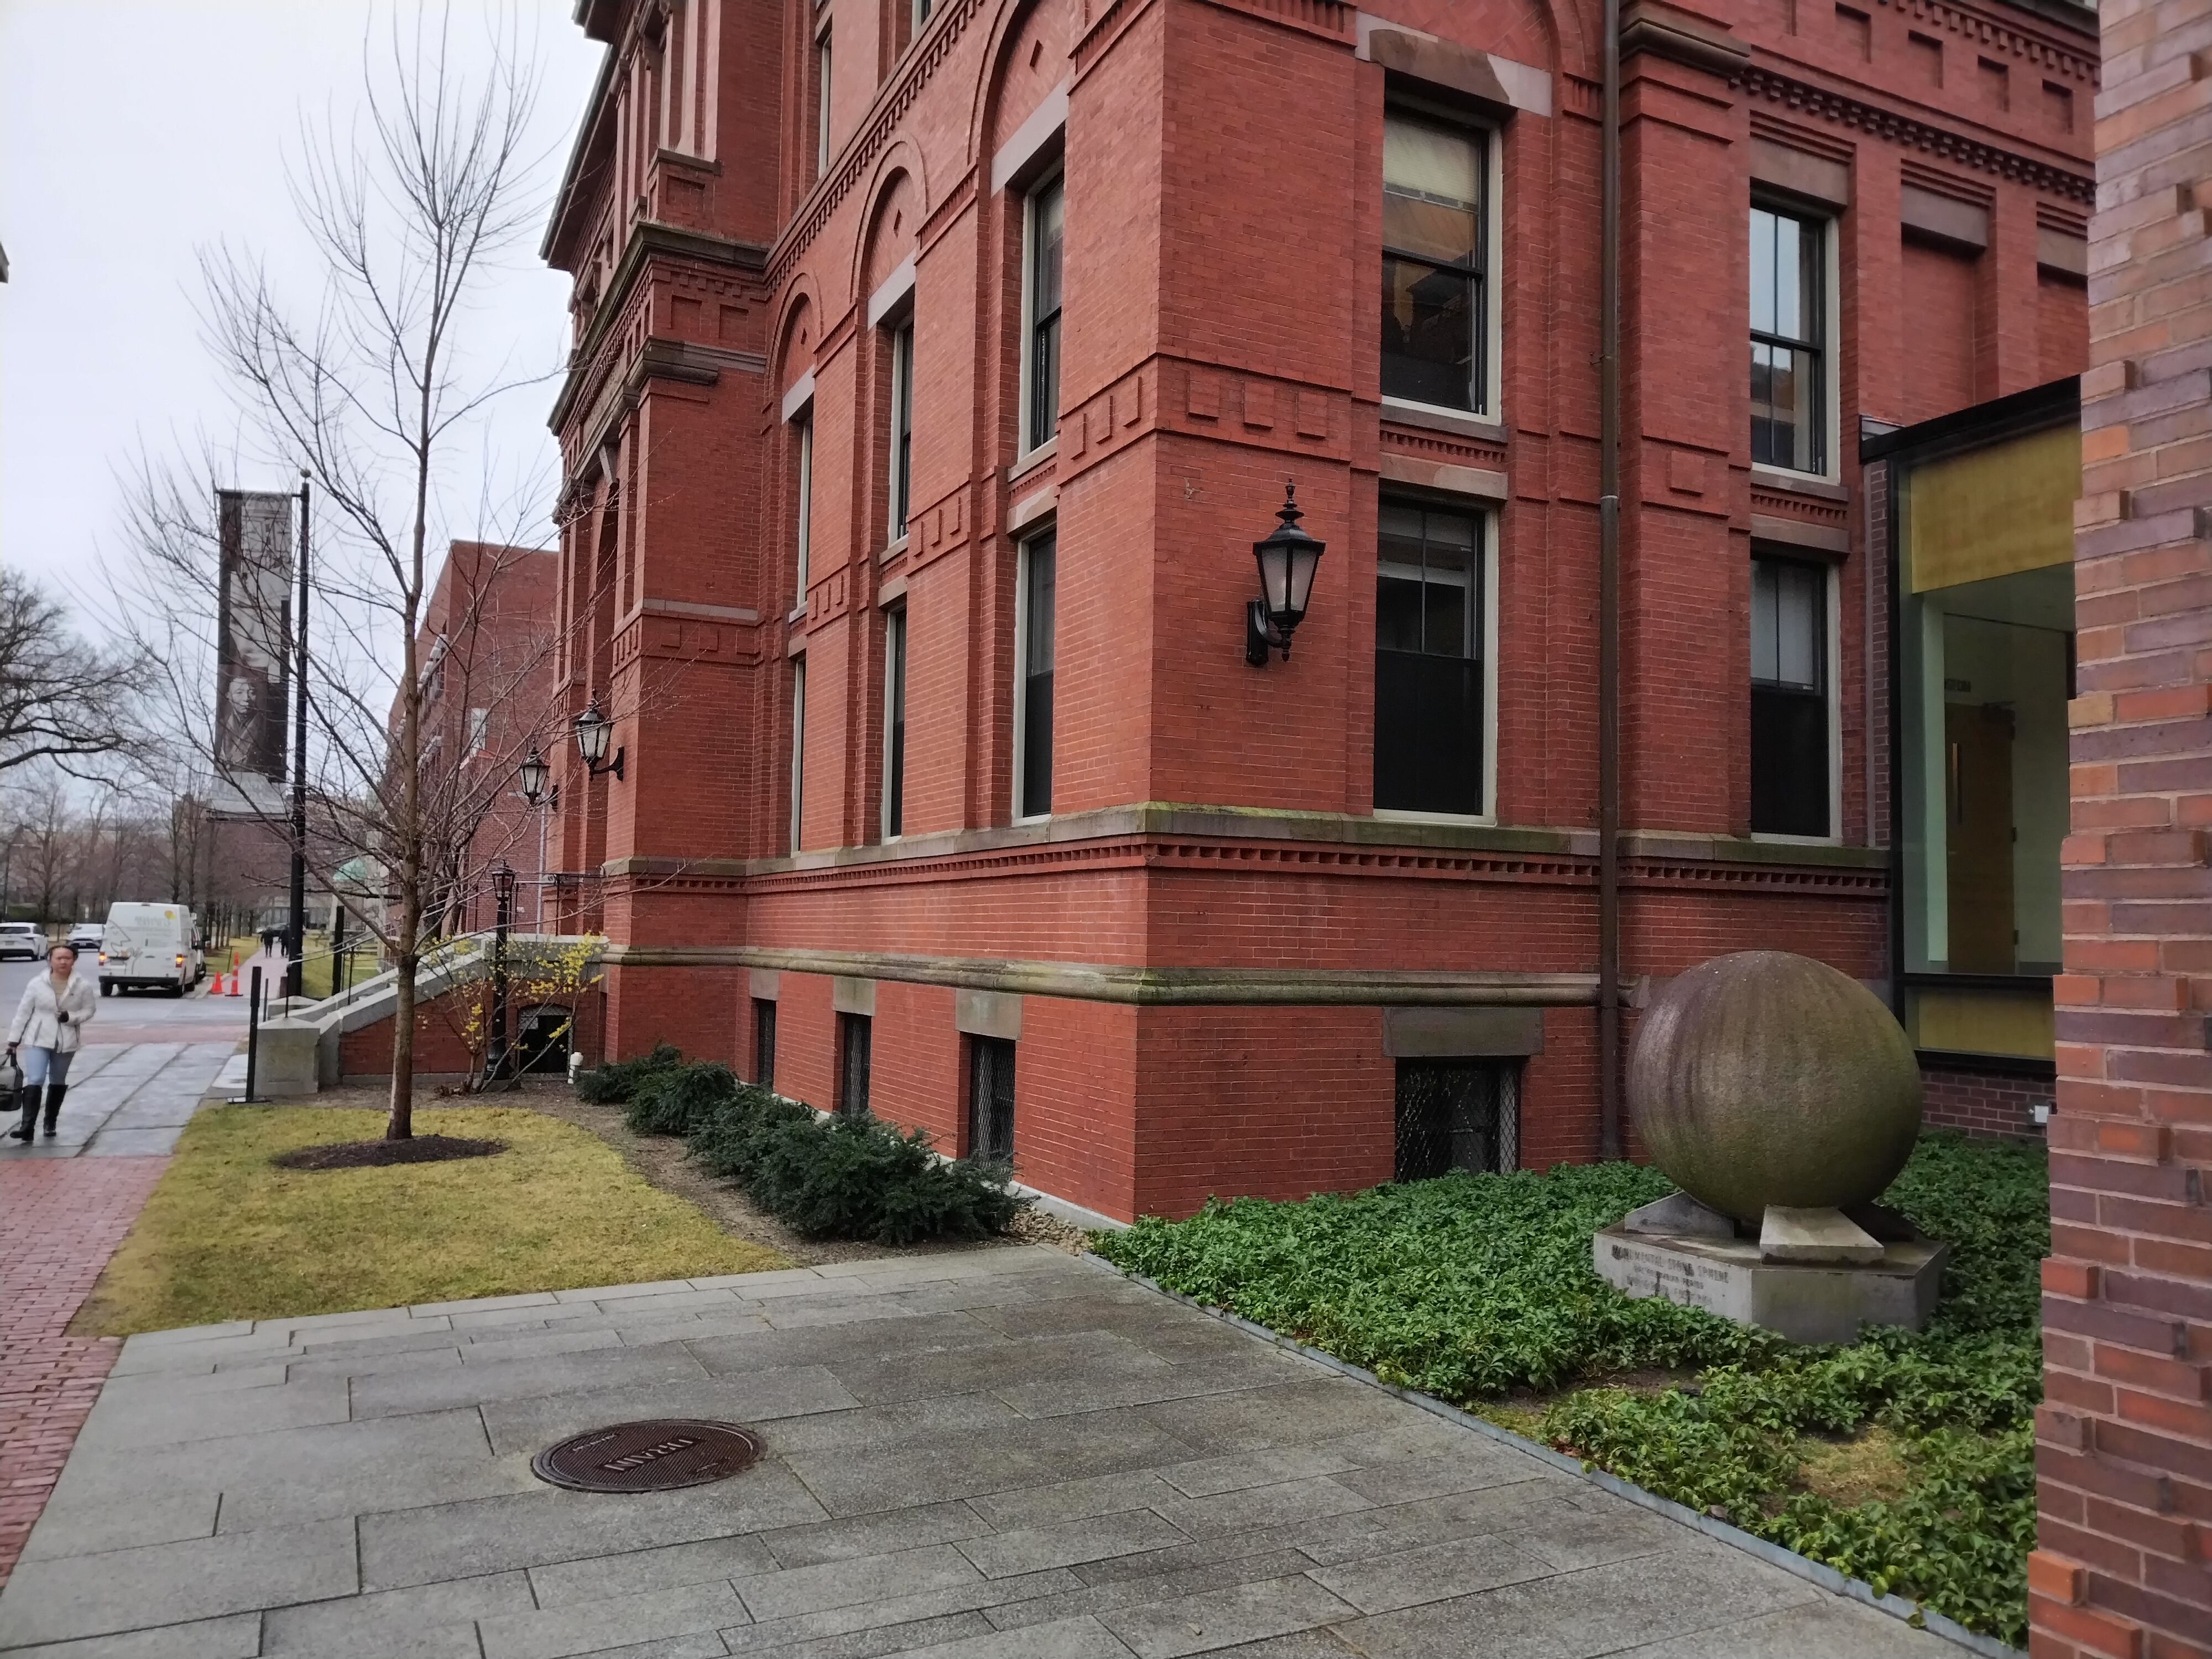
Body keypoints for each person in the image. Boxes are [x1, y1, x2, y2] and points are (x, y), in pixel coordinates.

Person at [7, 941, 96, 1140]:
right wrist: (13, 1040)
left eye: (68, 958)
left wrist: (71, 1018)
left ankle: (50, 1123)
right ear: (50, 960)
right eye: (59, 958)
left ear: (74, 960)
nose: (63, 962)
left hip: (66, 1040)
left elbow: (89, 1010)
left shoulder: (82, 985)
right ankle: (27, 1127)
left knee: (57, 1081)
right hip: (38, 1038)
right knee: (35, 1079)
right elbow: (23, 1012)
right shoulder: (37, 983)